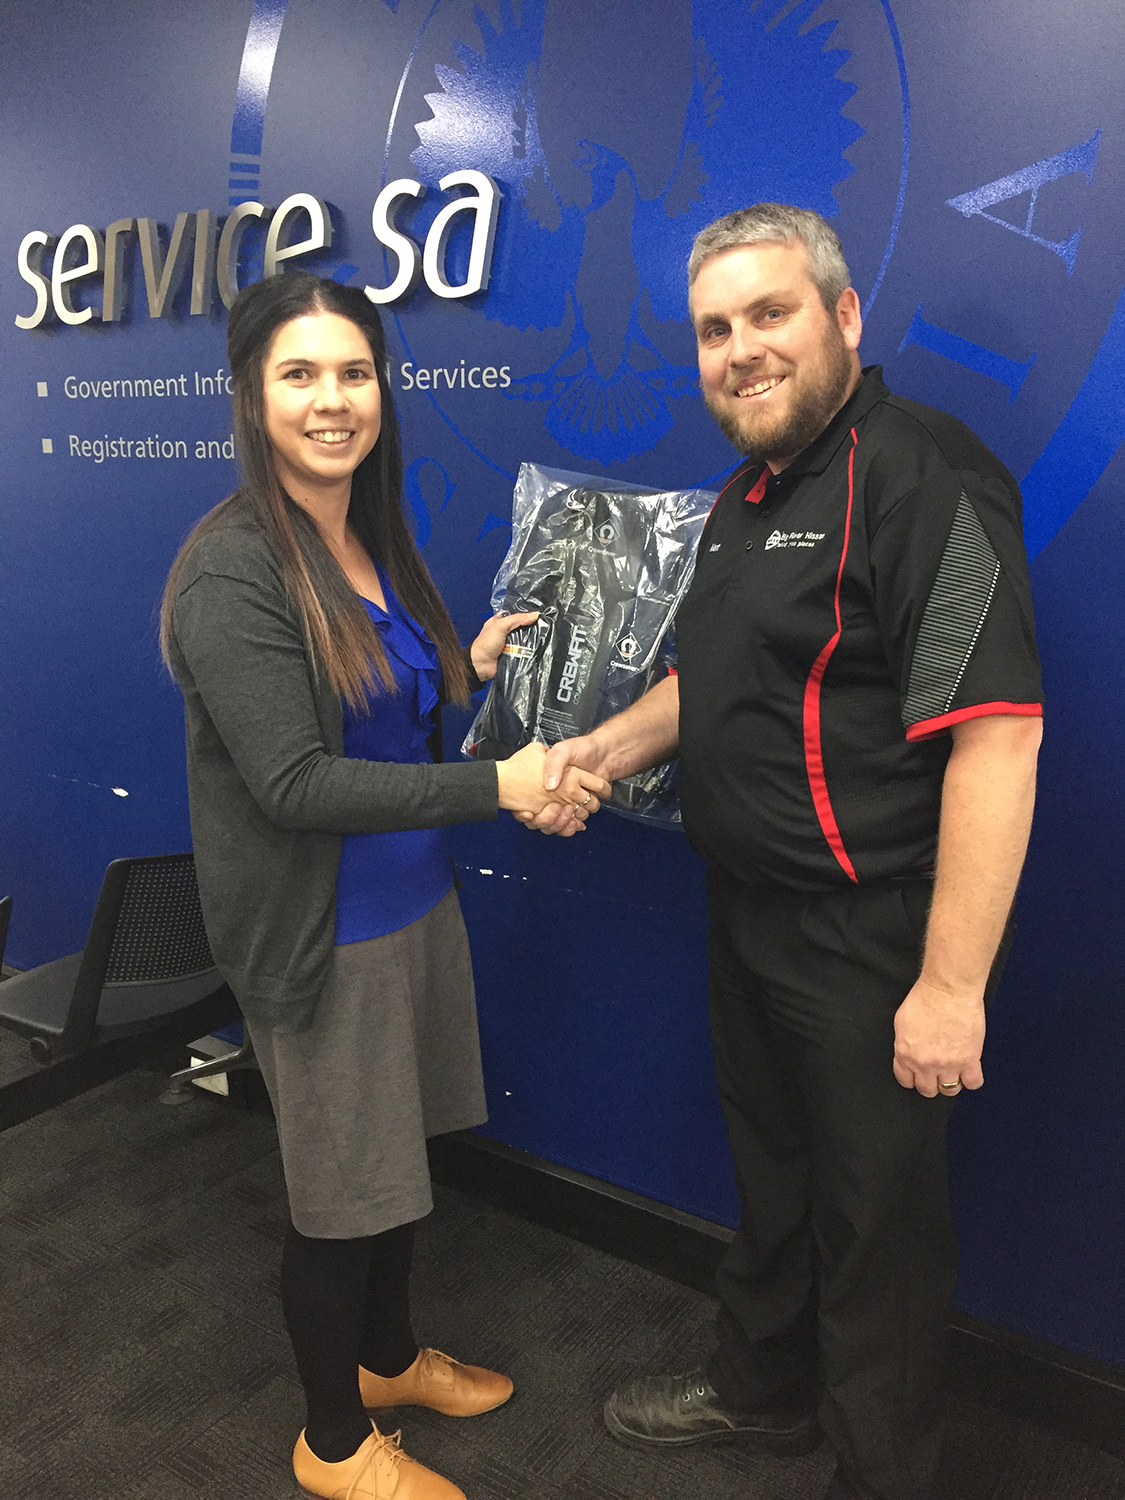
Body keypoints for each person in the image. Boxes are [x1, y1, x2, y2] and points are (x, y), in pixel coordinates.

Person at [523, 204, 1043, 1500]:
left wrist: (949, 985)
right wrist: (599, 752)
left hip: (871, 937)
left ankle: (879, 1475)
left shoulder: (923, 471)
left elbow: (996, 741)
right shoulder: (742, 499)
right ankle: (760, 1393)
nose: (739, 349)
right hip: (747, 913)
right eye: (713, 329)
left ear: (843, 318)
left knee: (879, 1233)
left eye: (769, 314)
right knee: (774, 1182)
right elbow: (710, 684)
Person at [161, 271, 610, 1500]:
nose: (332, 399)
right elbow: (297, 785)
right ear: (252, 397)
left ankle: (388, 1359)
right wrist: (502, 788)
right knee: (339, 1197)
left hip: (415, 909)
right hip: (324, 940)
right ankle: (331, 1441)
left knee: (398, 1161)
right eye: (299, 374)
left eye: (353, 371)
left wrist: (462, 666)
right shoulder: (233, 568)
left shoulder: (367, 530)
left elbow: (382, 711)